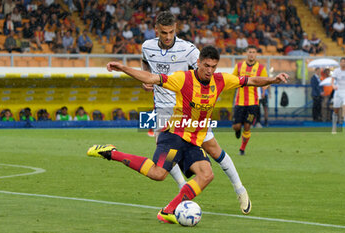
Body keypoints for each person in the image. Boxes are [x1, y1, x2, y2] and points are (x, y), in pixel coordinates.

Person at [87, 45, 288, 224]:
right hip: (173, 135)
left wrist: (274, 79)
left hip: (194, 141)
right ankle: (112, 152)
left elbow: (251, 80)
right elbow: (150, 78)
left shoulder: (220, 80)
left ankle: (168, 210)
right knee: (158, 174)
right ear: (198, 63)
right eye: (206, 65)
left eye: (213, 66)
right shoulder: (183, 79)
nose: (210, 71)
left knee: (207, 175)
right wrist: (122, 68)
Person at [141, 11, 250, 215]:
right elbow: (145, 63)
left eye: (171, 32)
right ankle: (183, 192)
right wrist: (146, 79)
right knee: (165, 156)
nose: (167, 36)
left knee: (214, 149)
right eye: (163, 32)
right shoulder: (147, 46)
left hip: (189, 110)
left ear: (176, 29)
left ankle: (240, 189)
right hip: (163, 110)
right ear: (156, 30)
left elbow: (205, 75)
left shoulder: (189, 50)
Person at [232, 45, 268, 155]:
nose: (251, 54)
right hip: (240, 102)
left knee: (247, 126)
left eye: (253, 52)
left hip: (253, 103)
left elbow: (265, 81)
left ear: (256, 54)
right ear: (246, 53)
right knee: (237, 126)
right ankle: (238, 130)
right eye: (250, 52)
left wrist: (263, 91)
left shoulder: (261, 68)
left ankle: (242, 149)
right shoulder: (238, 66)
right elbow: (233, 79)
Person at [331, 57, 345, 134]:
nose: (343, 63)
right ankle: (334, 127)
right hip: (338, 91)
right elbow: (332, 80)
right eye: (342, 62)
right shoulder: (336, 71)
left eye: (344, 62)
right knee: (336, 110)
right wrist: (333, 85)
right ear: (340, 63)